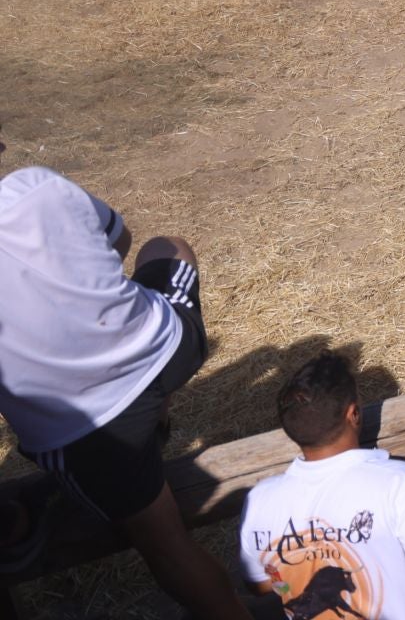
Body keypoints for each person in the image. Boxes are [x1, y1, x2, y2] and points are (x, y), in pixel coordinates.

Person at [0, 161, 249, 620]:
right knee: (168, 248)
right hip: (162, 348)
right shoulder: (37, 185)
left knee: (168, 548)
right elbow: (121, 242)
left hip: (84, 428)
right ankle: (155, 416)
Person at [241, 354, 405, 620]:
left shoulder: (260, 501)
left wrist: (291, 584)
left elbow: (261, 583)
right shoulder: (399, 484)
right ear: (354, 414)